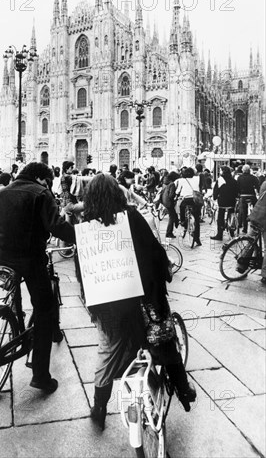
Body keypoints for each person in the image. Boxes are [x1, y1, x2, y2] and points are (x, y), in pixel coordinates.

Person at [82, 174, 196, 430]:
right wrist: (163, 271)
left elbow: (84, 271)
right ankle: (183, 389)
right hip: (143, 298)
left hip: (108, 304)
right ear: (116, 194)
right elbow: (153, 251)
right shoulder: (129, 216)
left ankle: (99, 408)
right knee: (164, 340)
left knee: (107, 351)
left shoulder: (86, 225)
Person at [0, 162, 75, 394]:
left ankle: (16, 324)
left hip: (5, 256)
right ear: (40, 178)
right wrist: (83, 235)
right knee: (44, 310)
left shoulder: (2, 193)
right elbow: (56, 227)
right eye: (48, 182)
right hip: (30, 258)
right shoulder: (40, 193)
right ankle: (40, 375)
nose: (49, 186)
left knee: (17, 296)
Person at [210, 166, 239, 241]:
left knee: (220, 217)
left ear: (223, 171)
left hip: (223, 201)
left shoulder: (220, 180)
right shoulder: (234, 180)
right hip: (232, 202)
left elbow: (216, 190)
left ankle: (219, 234)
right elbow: (237, 192)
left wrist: (215, 197)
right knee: (231, 213)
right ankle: (232, 231)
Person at [175, 167, 202, 247]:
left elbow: (177, 191)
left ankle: (183, 221)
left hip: (186, 199)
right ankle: (197, 239)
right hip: (195, 200)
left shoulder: (182, 180)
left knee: (181, 207)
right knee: (197, 220)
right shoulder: (197, 179)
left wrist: (177, 195)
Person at [237, 164, 260, 233]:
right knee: (256, 210)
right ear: (249, 170)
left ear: (243, 170)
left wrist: (238, 195)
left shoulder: (239, 177)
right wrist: (258, 193)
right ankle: (255, 226)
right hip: (252, 195)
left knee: (244, 212)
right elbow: (257, 186)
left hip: (243, 196)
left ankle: (244, 228)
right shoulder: (253, 177)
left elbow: (237, 188)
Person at [162, 171, 180, 238]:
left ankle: (171, 230)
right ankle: (169, 233)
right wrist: (176, 195)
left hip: (165, 202)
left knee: (172, 216)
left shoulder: (167, 183)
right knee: (171, 218)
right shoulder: (172, 184)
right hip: (169, 202)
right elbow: (171, 195)